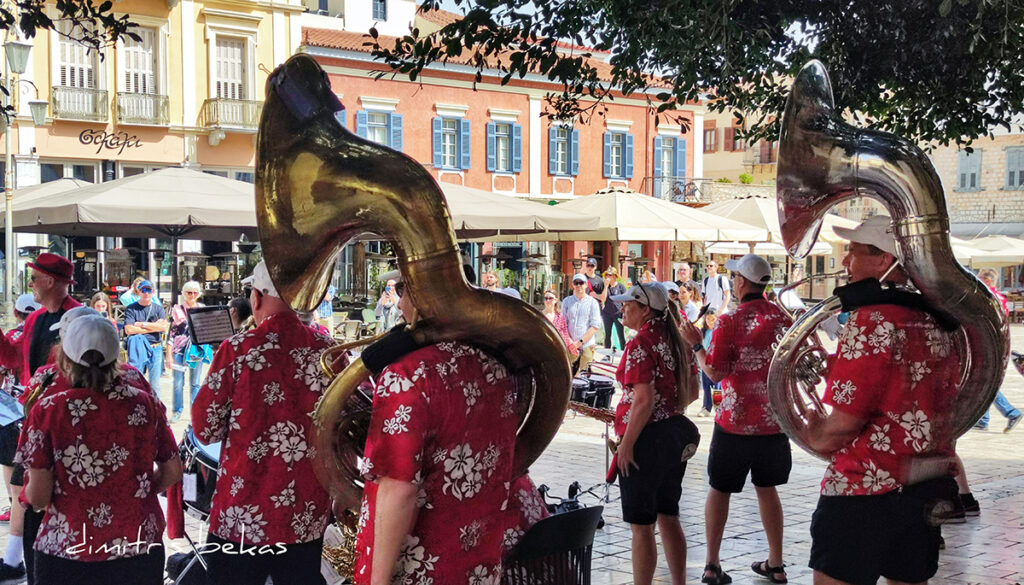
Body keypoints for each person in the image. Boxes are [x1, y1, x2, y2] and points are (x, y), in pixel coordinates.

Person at [352, 268, 543, 585]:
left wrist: (377, 579)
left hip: (420, 570)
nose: (400, 306)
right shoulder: (498, 368)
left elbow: (399, 489)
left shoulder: (407, 374)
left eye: (405, 292)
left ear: (426, 295)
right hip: (478, 563)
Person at [800, 215, 961, 585]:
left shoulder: (870, 319)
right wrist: (838, 367)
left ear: (883, 261)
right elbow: (908, 392)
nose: (845, 263)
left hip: (863, 490)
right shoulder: (937, 321)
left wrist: (813, 434)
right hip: (923, 489)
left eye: (853, 252)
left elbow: (840, 428)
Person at [192, 260, 334, 584]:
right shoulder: (329, 351)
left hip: (241, 516)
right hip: (305, 515)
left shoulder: (237, 350)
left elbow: (205, 428)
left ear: (255, 298)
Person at [20, 315, 181, 585]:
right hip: (138, 543)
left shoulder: (48, 410)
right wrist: (135, 493)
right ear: (116, 356)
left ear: (64, 357)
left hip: (67, 547)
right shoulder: (144, 404)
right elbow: (173, 471)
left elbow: (38, 496)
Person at [680, 254, 793, 585]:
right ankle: (776, 563)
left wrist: (696, 345)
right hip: (773, 421)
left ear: (742, 282)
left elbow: (714, 371)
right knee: (767, 488)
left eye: (734, 278)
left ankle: (712, 564)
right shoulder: (783, 319)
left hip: (734, 421)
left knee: (719, 489)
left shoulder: (730, 320)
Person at [610, 282, 700, 585]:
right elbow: (692, 393)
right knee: (668, 515)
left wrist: (626, 445)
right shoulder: (677, 341)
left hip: (646, 440)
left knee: (641, 525)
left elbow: (643, 401)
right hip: (674, 435)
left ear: (645, 309)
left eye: (628, 303)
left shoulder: (640, 344)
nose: (622, 308)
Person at [0, 294, 39, 578]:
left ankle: (16, 562)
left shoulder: (19, 335)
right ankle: (14, 561)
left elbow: (7, 361)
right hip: (23, 417)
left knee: (20, 493)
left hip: (23, 418)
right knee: (19, 491)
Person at [973, 268, 1021, 433]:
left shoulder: (988, 297)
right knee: (983, 381)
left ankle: (1011, 412)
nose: (975, 280)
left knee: (986, 382)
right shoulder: (998, 297)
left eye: (978, 278)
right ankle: (983, 419)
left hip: (988, 344)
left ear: (986, 281)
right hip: (996, 344)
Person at [168, 281, 205, 423]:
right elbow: (172, 332)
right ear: (184, 294)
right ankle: (177, 411)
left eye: (195, 292)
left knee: (195, 383)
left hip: (196, 349)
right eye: (189, 292)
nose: (192, 295)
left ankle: (194, 413)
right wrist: (169, 353)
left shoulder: (202, 309)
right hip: (180, 349)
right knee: (178, 382)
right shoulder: (177, 309)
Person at [123, 280, 168, 398]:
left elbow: (163, 327)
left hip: (155, 347)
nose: (146, 293)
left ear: (153, 292)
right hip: (138, 348)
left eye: (149, 290)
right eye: (144, 290)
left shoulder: (158, 309)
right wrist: (153, 327)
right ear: (139, 292)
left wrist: (141, 324)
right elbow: (129, 330)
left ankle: (156, 410)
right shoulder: (131, 309)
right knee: (136, 381)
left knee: (155, 384)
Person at [562, 273, 602, 374]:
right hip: (569, 344)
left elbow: (594, 326)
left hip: (586, 345)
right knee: (567, 374)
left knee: (584, 376)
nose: (579, 285)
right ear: (573, 285)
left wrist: (580, 342)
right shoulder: (566, 301)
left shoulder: (593, 303)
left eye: (581, 283)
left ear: (586, 285)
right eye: (576, 283)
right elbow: (563, 324)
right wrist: (570, 342)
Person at [542, 289, 578, 358]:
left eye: (550, 298)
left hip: (557, 351)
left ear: (556, 300)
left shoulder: (560, 317)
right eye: (546, 298)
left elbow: (565, 334)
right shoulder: (539, 315)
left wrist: (571, 346)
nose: (548, 301)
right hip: (543, 350)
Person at [697, 312, 718, 418]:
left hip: (716, 363)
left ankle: (718, 407)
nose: (711, 322)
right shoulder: (704, 332)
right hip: (705, 362)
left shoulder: (718, 331)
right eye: (708, 319)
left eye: (713, 319)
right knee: (706, 387)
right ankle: (706, 407)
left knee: (717, 388)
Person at [601, 267, 626, 350]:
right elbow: (603, 299)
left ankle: (623, 353)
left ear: (614, 276)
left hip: (618, 313)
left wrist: (625, 312)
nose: (608, 277)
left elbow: (625, 300)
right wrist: (605, 287)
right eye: (607, 275)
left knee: (620, 334)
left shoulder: (620, 287)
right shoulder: (605, 286)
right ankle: (607, 354)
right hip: (607, 313)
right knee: (607, 334)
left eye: (610, 275)